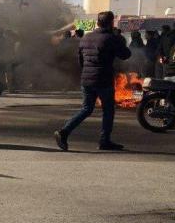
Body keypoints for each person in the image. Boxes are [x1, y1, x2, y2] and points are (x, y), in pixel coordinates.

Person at [54, 11, 132, 151]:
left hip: (87, 79)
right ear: (111, 22)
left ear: (97, 22)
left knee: (86, 109)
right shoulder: (111, 38)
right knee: (108, 110)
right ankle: (104, 140)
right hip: (103, 79)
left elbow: (81, 60)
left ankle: (63, 132)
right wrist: (119, 38)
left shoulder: (86, 38)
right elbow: (125, 55)